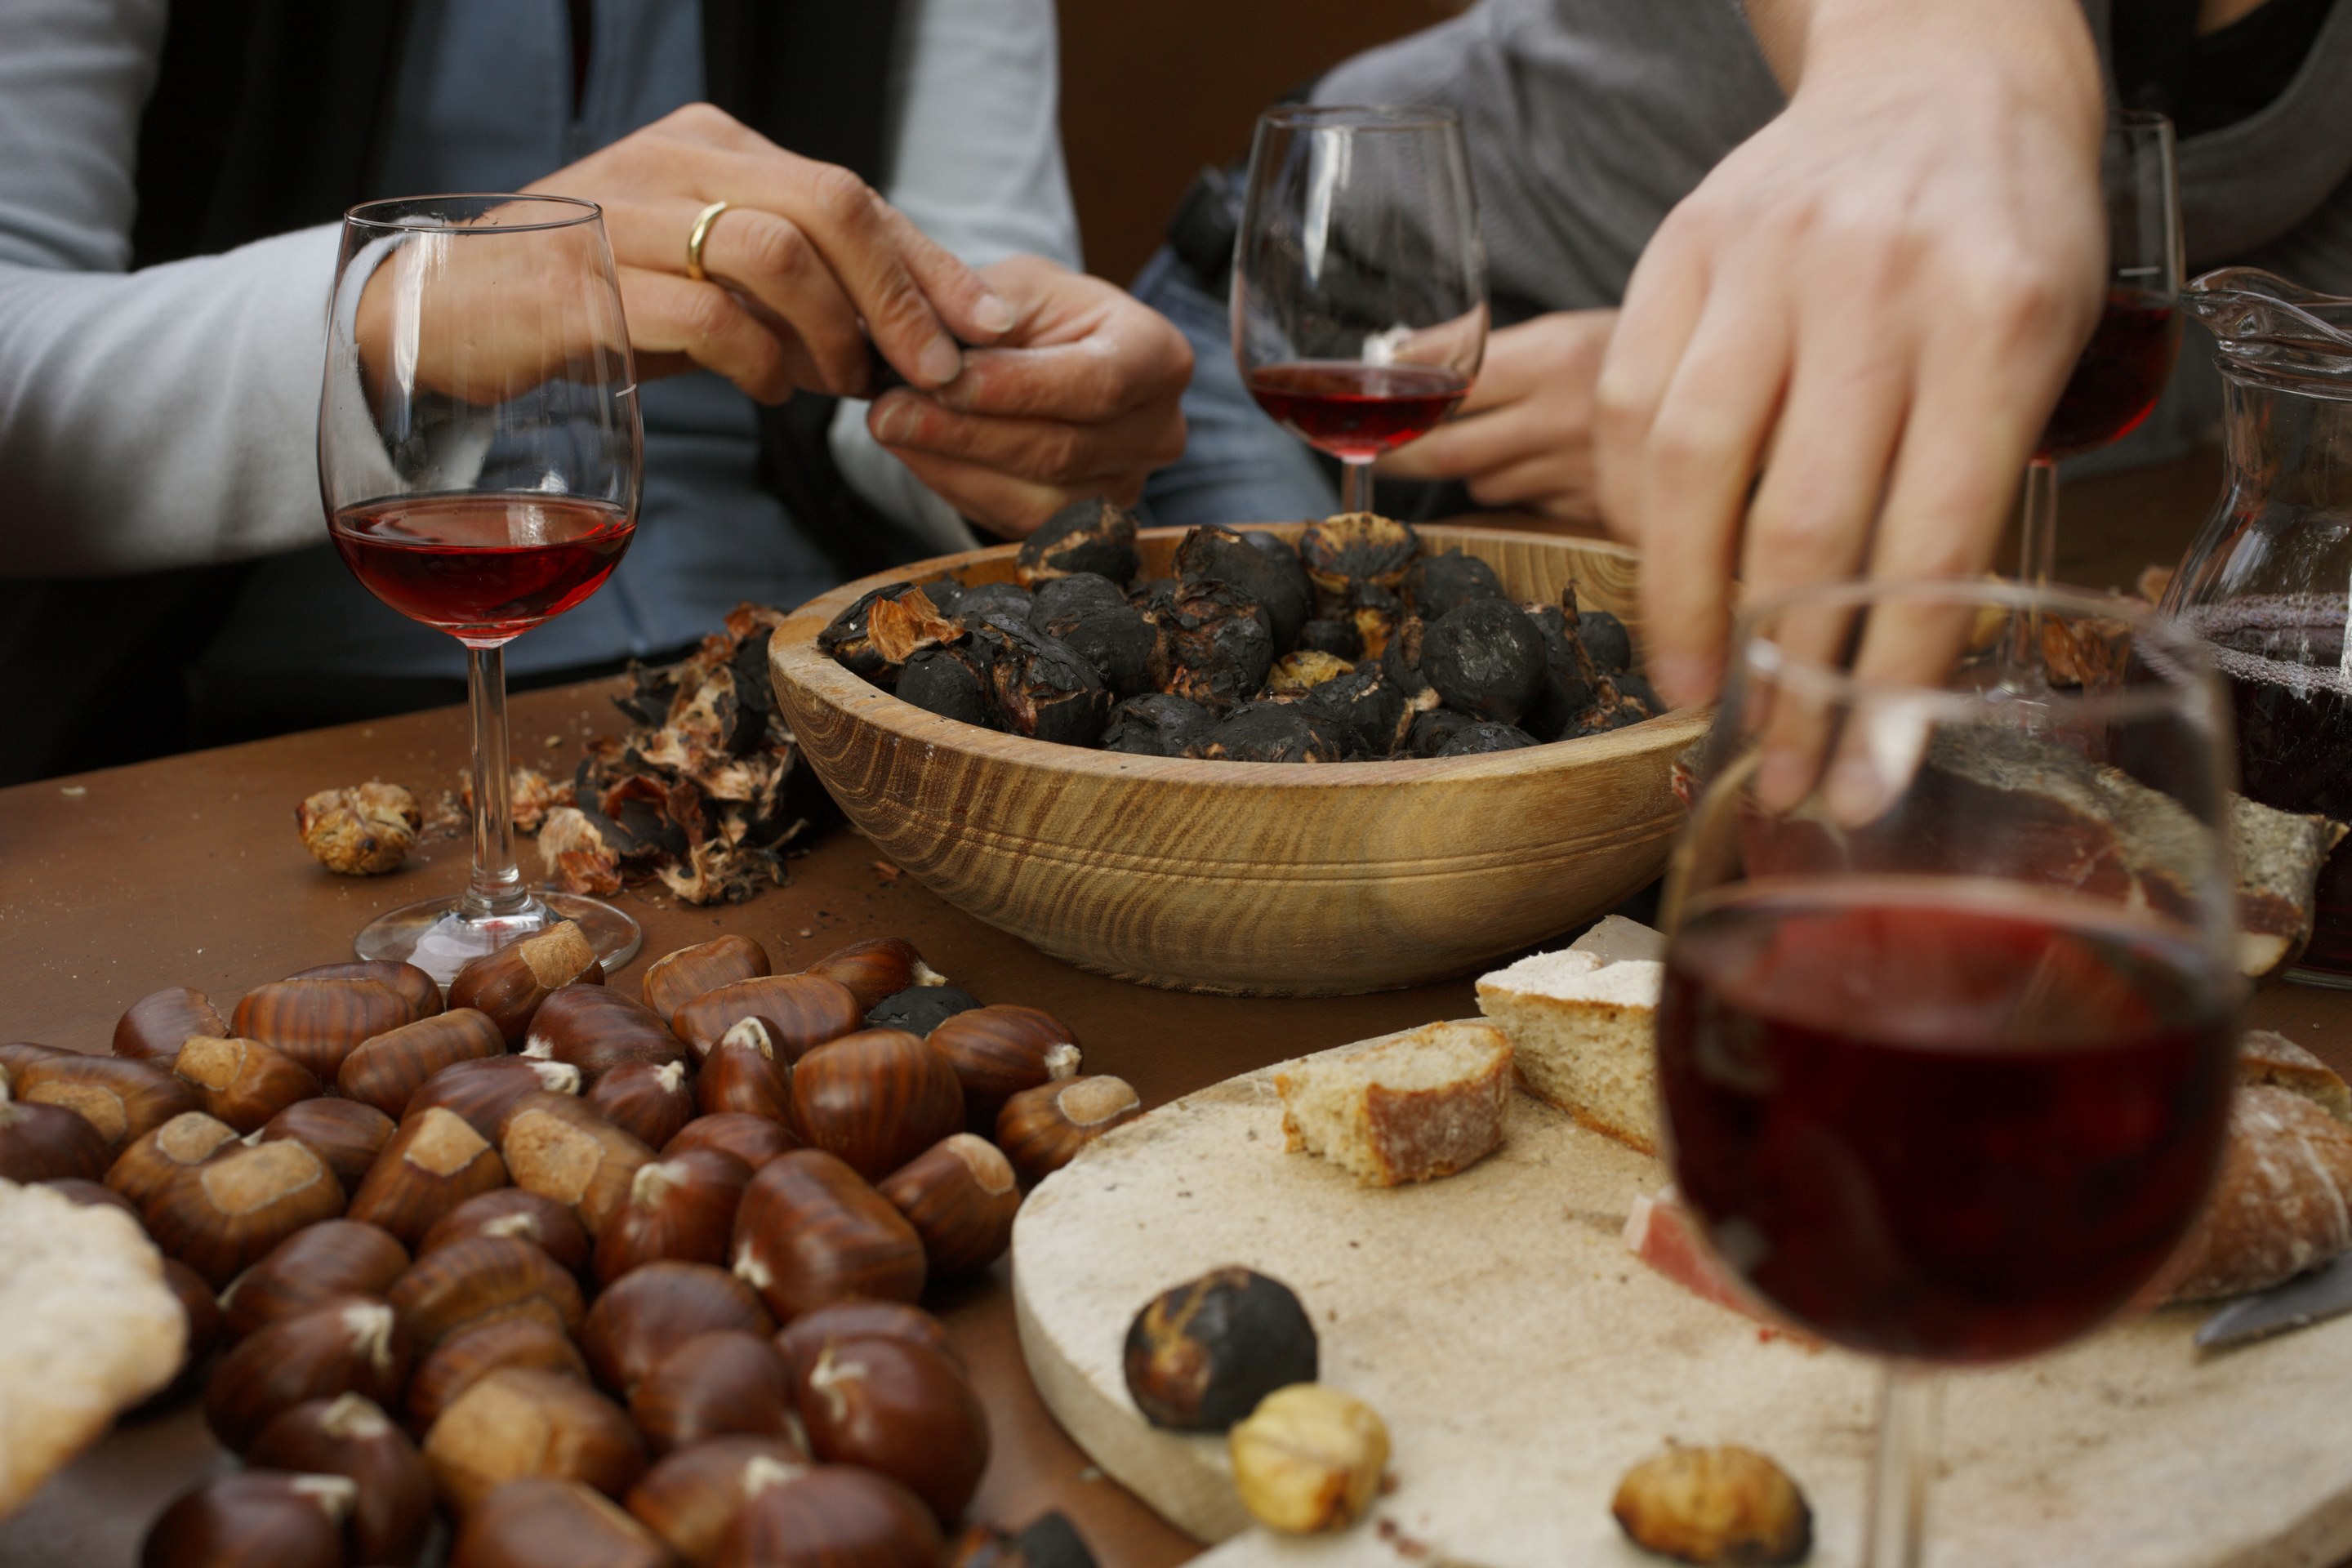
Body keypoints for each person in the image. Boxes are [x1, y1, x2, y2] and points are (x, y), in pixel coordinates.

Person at [0, 0, 1189, 772]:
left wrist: (1027, 420)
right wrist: (425, 299)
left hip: (812, 689)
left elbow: (955, 289)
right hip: (221, 735)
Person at [1139, 0, 2352, 710]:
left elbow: (2240, 338)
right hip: (1342, 344)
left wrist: (1779, 387)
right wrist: (1951, 50)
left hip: (1749, 492)